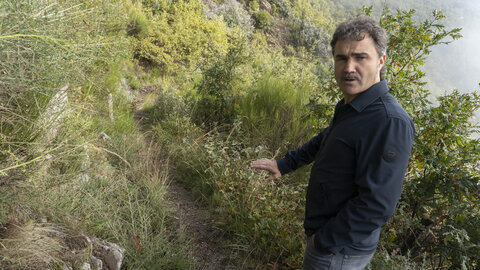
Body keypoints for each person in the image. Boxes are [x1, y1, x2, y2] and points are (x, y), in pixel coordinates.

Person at [251, 17, 414, 270]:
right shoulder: (355, 105)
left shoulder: (388, 121)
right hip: (331, 242)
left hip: (339, 252)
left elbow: (377, 205)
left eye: (361, 57)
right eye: (341, 58)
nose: (349, 67)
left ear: (381, 61)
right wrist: (284, 164)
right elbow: (329, 139)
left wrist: (323, 240)